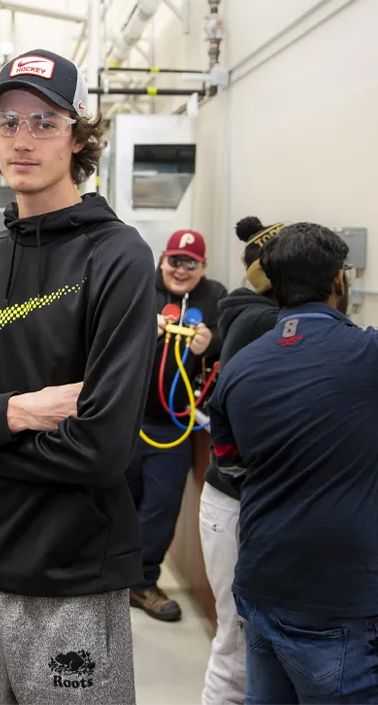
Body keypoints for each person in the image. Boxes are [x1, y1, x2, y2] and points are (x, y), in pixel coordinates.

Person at [0, 48, 156, 704]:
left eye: (44, 122)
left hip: (73, 573)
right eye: (8, 122)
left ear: (78, 136)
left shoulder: (117, 256)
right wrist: (18, 411)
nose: (21, 139)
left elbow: (102, 450)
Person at [209, 222, 378, 703]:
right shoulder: (376, 354)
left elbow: (231, 466)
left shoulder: (238, 368)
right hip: (336, 602)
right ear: (340, 280)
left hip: (259, 587)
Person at [199, 216, 284, 705]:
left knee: (242, 646)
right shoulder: (261, 321)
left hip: (238, 502)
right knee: (235, 651)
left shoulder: (249, 313)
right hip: (236, 502)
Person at [126, 229, 226, 622]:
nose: (180, 271)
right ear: (162, 261)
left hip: (175, 425)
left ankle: (143, 582)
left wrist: (210, 342)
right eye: (174, 261)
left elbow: (229, 340)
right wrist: (140, 331)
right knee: (117, 502)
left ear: (202, 268)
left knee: (161, 508)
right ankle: (109, 579)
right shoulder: (138, 288)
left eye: (191, 264)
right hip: (129, 421)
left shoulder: (215, 296)